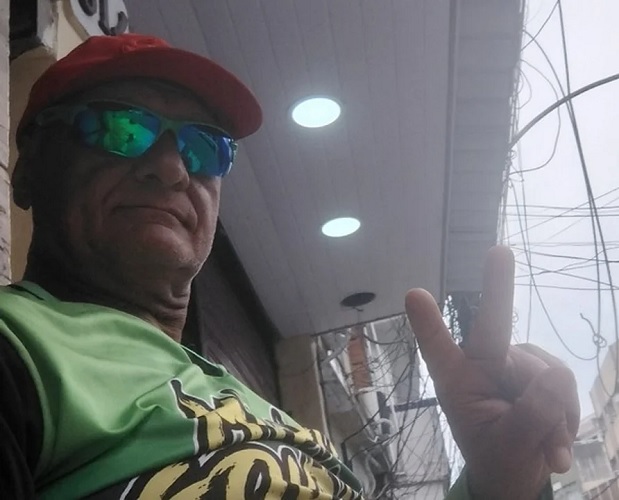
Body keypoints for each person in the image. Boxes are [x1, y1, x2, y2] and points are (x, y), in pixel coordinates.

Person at [0, 33, 578, 499]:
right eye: (122, 128)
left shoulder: (253, 406)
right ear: (28, 170)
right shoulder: (21, 347)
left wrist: (500, 482)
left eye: (204, 147)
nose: (173, 168)